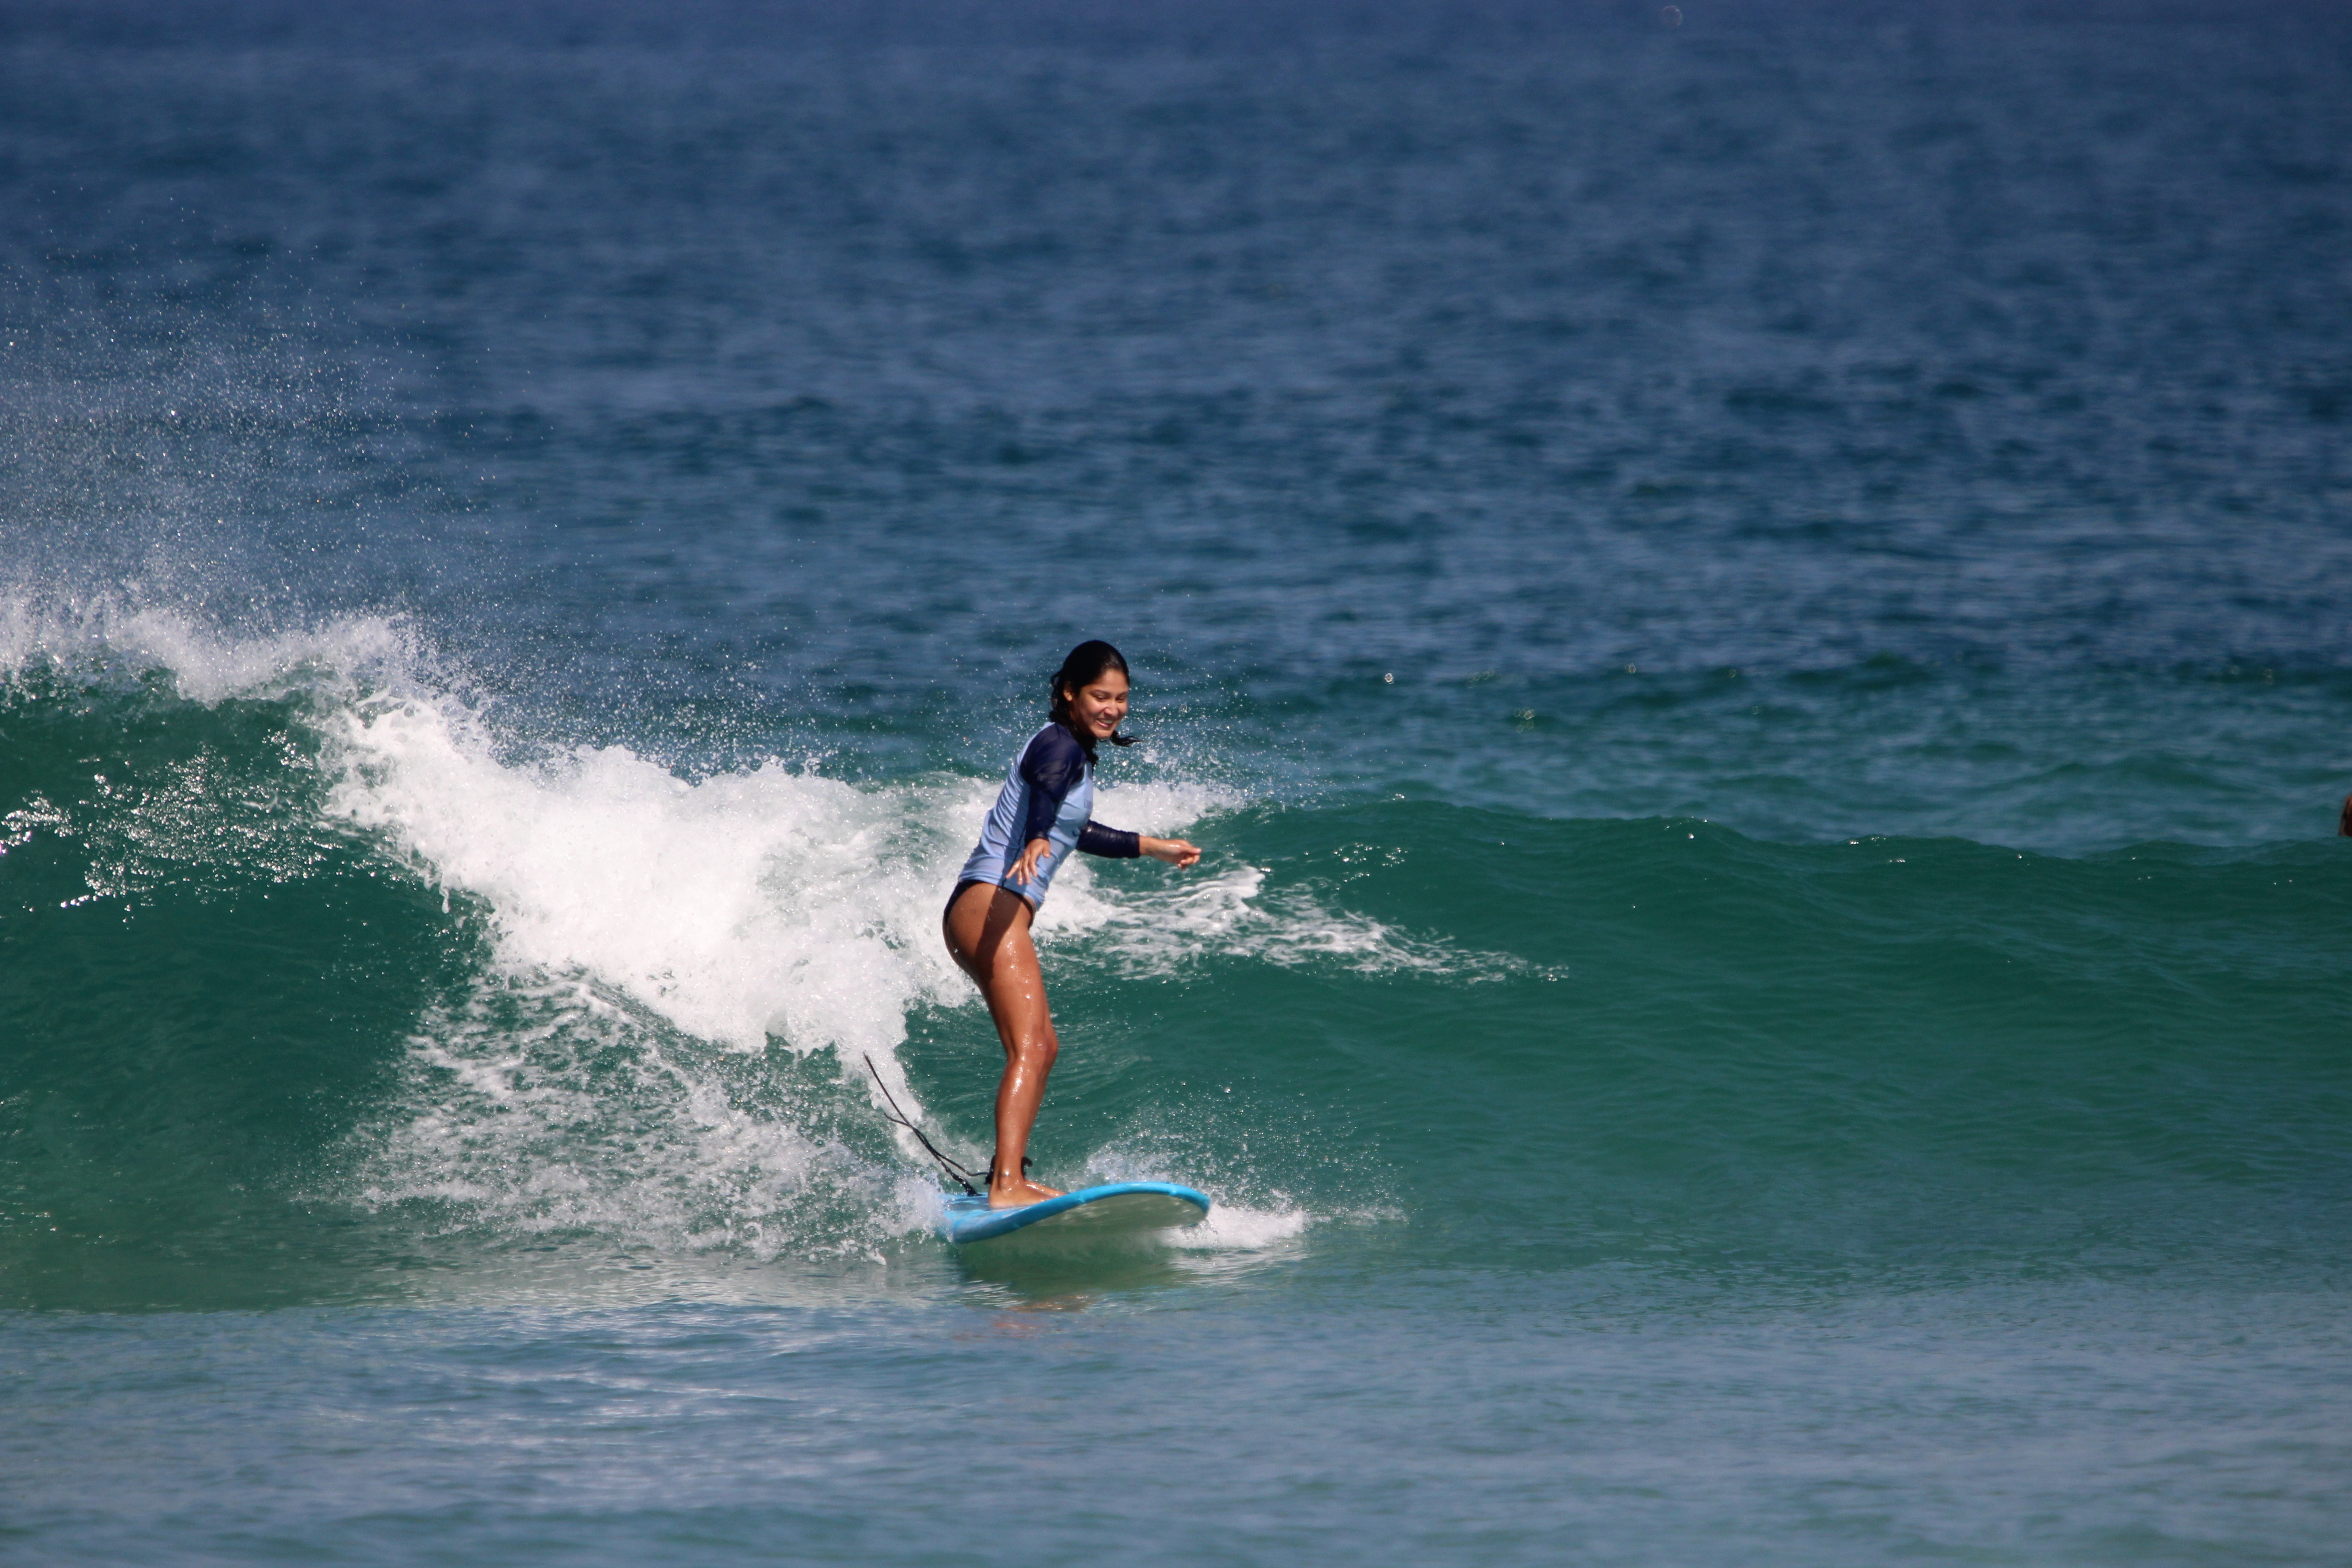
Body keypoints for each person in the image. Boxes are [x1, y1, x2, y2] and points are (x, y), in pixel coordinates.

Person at [942, 641, 1201, 1207]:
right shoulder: (1058, 746)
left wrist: (1151, 847)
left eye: (1122, 699)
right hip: (993, 905)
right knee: (1033, 1047)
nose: (1113, 708)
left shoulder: (1068, 750)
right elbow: (1045, 796)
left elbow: (1074, 829)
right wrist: (1036, 834)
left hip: (984, 910)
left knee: (1040, 1046)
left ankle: (1006, 1174)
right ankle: (1007, 1184)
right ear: (1070, 694)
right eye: (1100, 697)